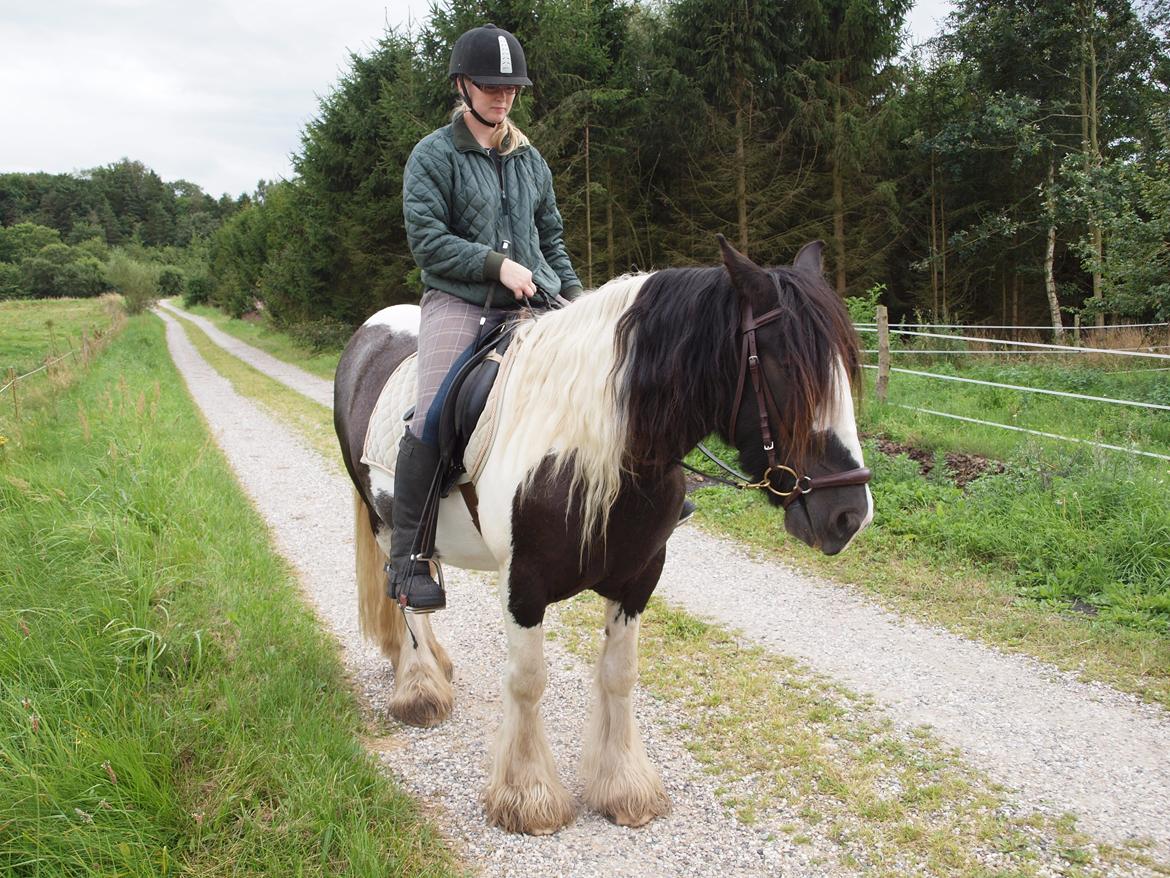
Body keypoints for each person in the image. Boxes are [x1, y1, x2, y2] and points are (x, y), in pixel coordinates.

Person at [391, 23, 583, 613]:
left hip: (535, 299)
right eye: (490, 86)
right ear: (462, 85)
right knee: (435, 408)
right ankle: (410, 558)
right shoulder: (433, 155)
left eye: (511, 88)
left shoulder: (531, 160)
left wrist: (576, 298)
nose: (502, 97)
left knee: (599, 378)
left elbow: (551, 239)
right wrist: (495, 265)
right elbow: (428, 242)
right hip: (459, 299)